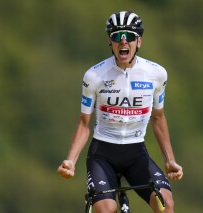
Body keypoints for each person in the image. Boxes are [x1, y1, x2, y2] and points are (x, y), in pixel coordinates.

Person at [57, 10, 183, 213]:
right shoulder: (94, 76)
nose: (123, 42)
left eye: (129, 37)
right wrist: (71, 161)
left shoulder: (157, 74)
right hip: (103, 154)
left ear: (139, 42)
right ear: (110, 42)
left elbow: (158, 118)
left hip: (136, 154)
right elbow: (83, 122)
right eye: (117, 36)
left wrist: (170, 160)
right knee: (106, 210)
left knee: (165, 204)